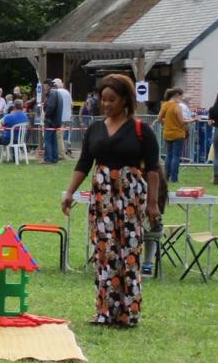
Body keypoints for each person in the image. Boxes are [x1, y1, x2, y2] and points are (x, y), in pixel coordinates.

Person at [62, 74, 161, 328]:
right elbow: (84, 163)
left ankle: (128, 313)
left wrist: (152, 204)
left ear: (126, 100)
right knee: (105, 252)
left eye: (111, 100)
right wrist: (69, 192)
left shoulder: (141, 130)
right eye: (102, 99)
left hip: (130, 197)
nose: (105, 104)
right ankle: (105, 311)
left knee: (128, 252)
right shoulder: (95, 129)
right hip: (102, 197)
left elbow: (152, 169)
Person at [157, 87, 188, 183]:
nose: (182, 98)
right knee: (176, 156)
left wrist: (165, 122)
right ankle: (174, 178)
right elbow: (182, 122)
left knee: (168, 155)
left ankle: (166, 176)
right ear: (177, 95)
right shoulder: (177, 106)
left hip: (167, 134)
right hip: (177, 134)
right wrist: (193, 120)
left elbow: (159, 118)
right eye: (181, 96)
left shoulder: (165, 105)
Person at [42, 78, 64, 164]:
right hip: (56, 121)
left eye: (44, 86)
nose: (44, 88)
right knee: (54, 140)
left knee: (47, 140)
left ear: (47, 85)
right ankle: (55, 158)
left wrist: (46, 116)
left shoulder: (52, 93)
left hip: (50, 120)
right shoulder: (57, 93)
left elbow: (50, 107)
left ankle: (48, 158)